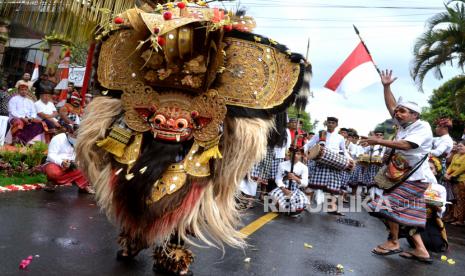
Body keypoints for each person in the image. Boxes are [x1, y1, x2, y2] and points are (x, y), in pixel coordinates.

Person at [361, 69, 433, 263]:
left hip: (415, 179)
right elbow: (391, 105)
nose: (397, 113)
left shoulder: (422, 127)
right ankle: (420, 250)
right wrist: (387, 87)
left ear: (414, 115)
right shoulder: (404, 124)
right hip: (407, 177)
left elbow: (406, 145)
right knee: (404, 215)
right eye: (398, 111)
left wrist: (378, 142)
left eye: (402, 111)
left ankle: (393, 241)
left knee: (385, 207)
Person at [305, 116, 347, 215]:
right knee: (312, 184)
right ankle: (306, 204)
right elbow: (308, 144)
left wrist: (349, 160)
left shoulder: (340, 137)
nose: (330, 124)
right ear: (326, 123)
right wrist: (306, 153)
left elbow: (344, 151)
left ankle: (332, 208)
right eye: (329, 122)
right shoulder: (320, 134)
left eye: (333, 123)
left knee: (334, 187)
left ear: (336, 125)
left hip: (334, 164)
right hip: (320, 162)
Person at [42, 126, 94, 194]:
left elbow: (82, 156)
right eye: (75, 136)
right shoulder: (58, 138)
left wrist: (76, 163)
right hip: (56, 164)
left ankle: (83, 185)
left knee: (89, 167)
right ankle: (52, 181)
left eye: (78, 136)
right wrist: (61, 162)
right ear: (69, 133)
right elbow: (51, 155)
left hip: (73, 165)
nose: (77, 138)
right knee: (53, 172)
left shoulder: (82, 141)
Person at [269, 148, 309, 217]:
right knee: (272, 200)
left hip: (295, 189)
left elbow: (305, 183)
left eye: (298, 154)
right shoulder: (282, 164)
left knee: (294, 212)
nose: (295, 156)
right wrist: (283, 189)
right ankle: (281, 208)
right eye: (294, 153)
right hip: (283, 188)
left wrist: (295, 178)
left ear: (301, 155)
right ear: (290, 154)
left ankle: (290, 209)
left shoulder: (304, 167)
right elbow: (278, 179)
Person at [444, 140, 465, 226]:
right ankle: (456, 217)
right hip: (454, 180)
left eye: (461, 146)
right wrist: (446, 173)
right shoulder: (456, 155)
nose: (459, 148)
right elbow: (451, 166)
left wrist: (451, 175)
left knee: (462, 201)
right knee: (456, 200)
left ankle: (461, 220)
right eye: (458, 146)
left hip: (462, 180)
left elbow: (462, 168)